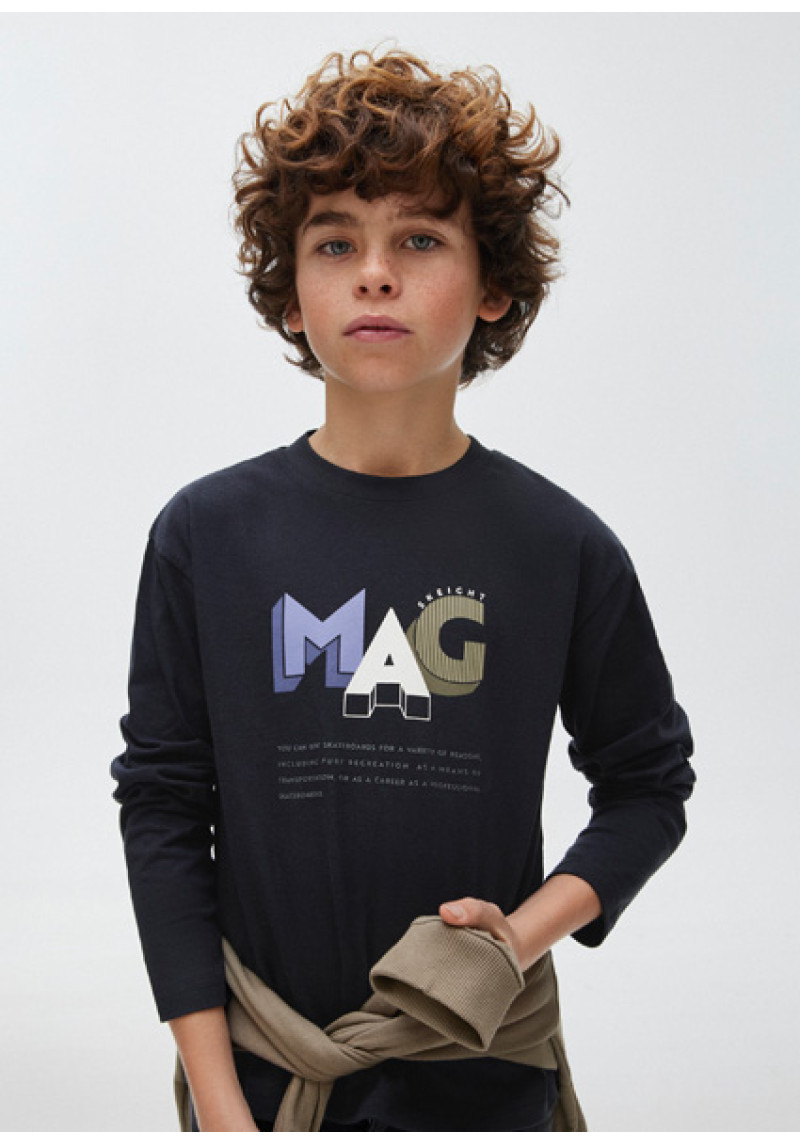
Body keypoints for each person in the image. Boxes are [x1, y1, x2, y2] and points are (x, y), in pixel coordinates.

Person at [110, 47, 695, 1132]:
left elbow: (648, 786)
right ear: (292, 298)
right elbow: (162, 806)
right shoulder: (207, 536)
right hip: (262, 1084)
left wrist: (516, 937)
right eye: (336, 242)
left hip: (486, 1076)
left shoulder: (561, 547)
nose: (374, 274)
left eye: (420, 239)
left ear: (493, 287)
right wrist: (222, 1105)